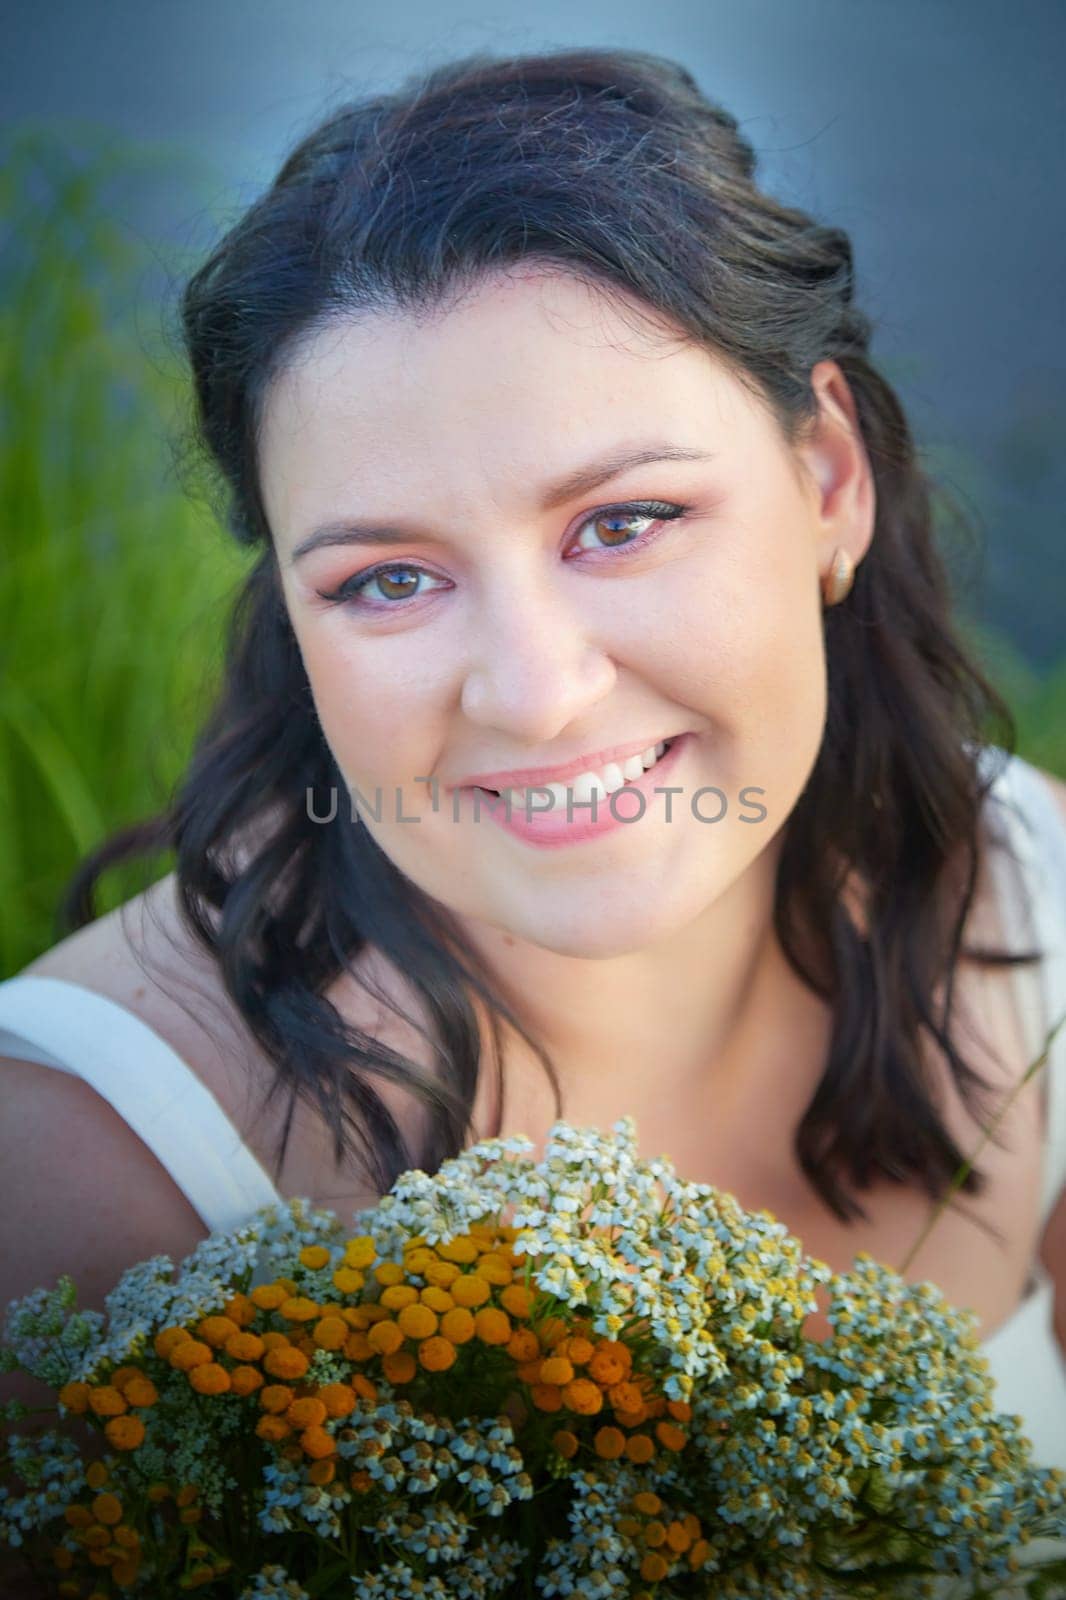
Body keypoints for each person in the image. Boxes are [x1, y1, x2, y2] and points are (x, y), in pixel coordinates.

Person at [2, 41, 1066, 1559]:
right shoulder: (71, 1184)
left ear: (826, 478)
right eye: (388, 577)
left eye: (622, 523)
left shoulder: (1028, 905)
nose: (533, 691)